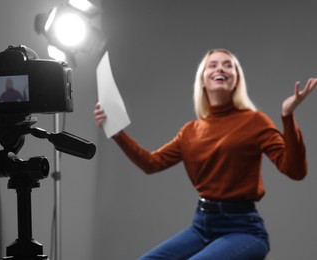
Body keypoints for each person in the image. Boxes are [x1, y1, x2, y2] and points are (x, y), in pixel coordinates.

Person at [94, 48, 317, 259]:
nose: (220, 69)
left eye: (228, 65)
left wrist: (287, 116)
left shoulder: (255, 121)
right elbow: (151, 164)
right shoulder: (190, 131)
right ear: (203, 79)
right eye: (213, 65)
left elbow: (295, 170)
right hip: (202, 226)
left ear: (236, 79)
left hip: (244, 229)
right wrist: (116, 132)